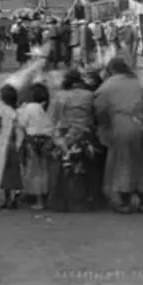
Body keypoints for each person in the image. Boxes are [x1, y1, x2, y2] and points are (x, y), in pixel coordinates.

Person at [94, 58, 143, 214]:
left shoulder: (107, 86)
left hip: (120, 124)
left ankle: (124, 201)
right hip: (140, 124)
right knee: (142, 162)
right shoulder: (136, 83)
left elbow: (100, 109)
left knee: (122, 162)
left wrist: (105, 128)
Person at [48, 68, 101, 212]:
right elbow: (96, 115)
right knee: (87, 169)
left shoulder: (59, 96)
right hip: (85, 134)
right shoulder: (89, 95)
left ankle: (62, 201)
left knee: (63, 169)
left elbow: (53, 118)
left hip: (64, 134)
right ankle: (86, 199)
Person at [17, 82, 54, 211]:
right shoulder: (44, 108)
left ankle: (38, 201)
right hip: (46, 141)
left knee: (34, 172)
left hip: (32, 141)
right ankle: (45, 198)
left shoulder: (29, 108)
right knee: (44, 171)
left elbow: (21, 123)